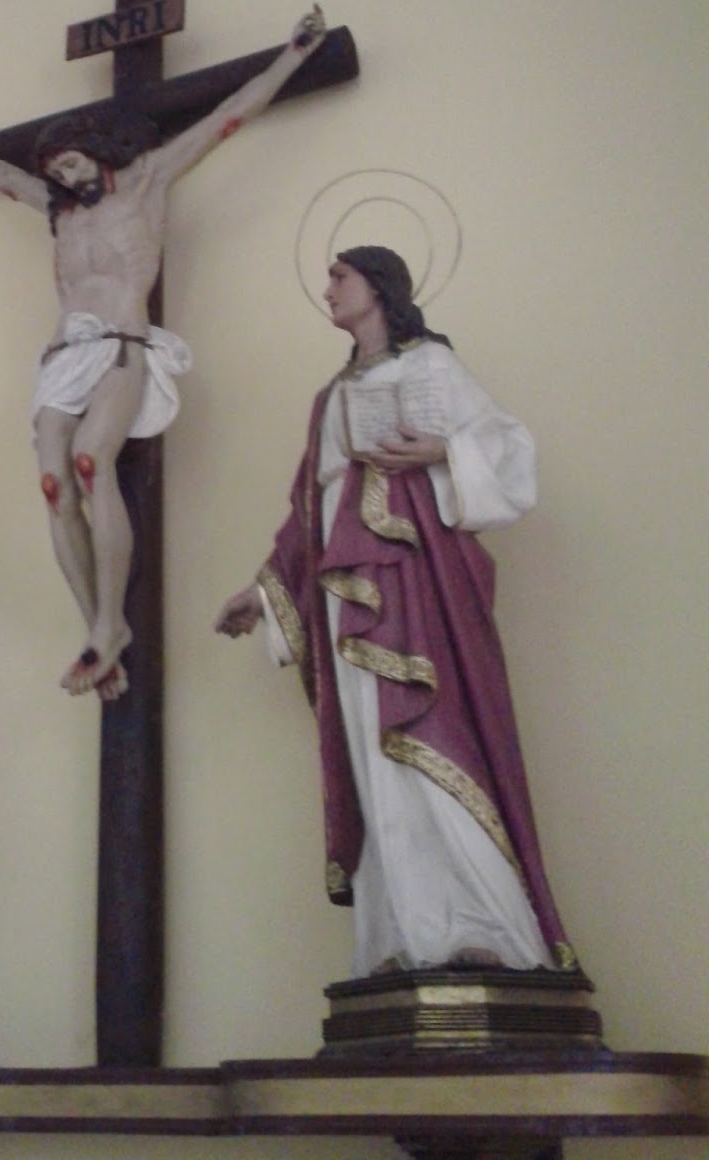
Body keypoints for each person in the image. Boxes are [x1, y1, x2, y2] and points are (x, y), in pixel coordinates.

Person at [0, 7, 328, 701]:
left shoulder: (148, 181)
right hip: (64, 355)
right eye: (56, 170)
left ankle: (109, 625)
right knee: (54, 482)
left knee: (92, 461)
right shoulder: (61, 211)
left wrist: (293, 56)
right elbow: (7, 182)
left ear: (97, 150)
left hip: (122, 345)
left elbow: (227, 119)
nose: (66, 176)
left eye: (71, 161)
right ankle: (99, 627)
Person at [215, 247, 576, 977]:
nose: (327, 291)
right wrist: (263, 592)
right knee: (372, 754)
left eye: (339, 277)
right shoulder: (329, 399)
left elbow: (508, 450)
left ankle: (483, 926)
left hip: (418, 584)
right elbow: (308, 513)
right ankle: (403, 937)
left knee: (432, 733)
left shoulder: (431, 366)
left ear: (378, 287)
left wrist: (442, 452)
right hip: (345, 595)